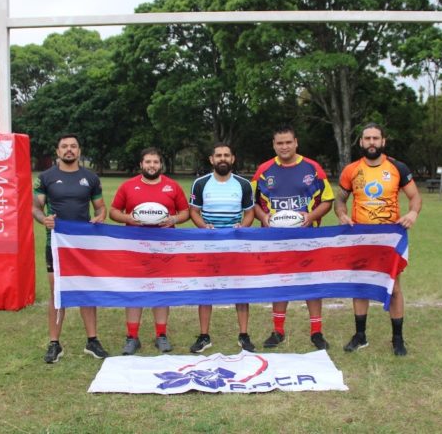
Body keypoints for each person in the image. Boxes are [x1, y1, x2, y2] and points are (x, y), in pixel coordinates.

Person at [335, 122, 422, 356]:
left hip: (388, 239)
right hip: (360, 238)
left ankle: (397, 339)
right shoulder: (351, 170)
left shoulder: (397, 168)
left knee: (393, 288)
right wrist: (342, 215)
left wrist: (413, 212)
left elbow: (415, 197)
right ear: (361, 142)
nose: (371, 142)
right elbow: (340, 200)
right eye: (367, 138)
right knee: (361, 286)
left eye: (375, 138)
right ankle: (360, 336)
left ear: (383, 141)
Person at [251, 125, 334, 350]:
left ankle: (316, 332)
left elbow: (327, 199)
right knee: (280, 282)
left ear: (296, 142)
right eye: (280, 143)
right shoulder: (263, 171)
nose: (284, 146)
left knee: (312, 284)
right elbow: (252, 203)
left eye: (288, 142)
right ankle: (277, 331)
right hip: (275, 240)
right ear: (274, 145)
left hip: (308, 238)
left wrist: (311, 216)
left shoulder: (313, 168)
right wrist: (264, 217)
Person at [33, 133, 109, 364]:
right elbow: (35, 207)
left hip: (83, 244)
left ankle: (92, 341)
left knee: (87, 290)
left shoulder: (90, 178)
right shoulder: (46, 177)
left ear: (79, 151)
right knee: (58, 292)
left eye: (73, 146)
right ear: (57, 151)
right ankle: (54, 343)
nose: (69, 150)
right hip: (56, 244)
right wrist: (42, 219)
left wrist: (100, 217)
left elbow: (100, 208)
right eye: (64, 146)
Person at [109, 147, 190, 355]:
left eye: (155, 162)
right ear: (141, 164)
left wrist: (173, 219)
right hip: (134, 248)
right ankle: (132, 337)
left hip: (164, 248)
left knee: (161, 290)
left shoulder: (172, 187)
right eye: (148, 162)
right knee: (135, 290)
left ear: (160, 164)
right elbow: (113, 211)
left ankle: (161, 335)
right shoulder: (128, 186)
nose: (151, 165)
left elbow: (185, 212)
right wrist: (127, 218)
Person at [188, 143, 256, 353]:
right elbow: (194, 212)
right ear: (212, 159)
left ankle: (244, 335)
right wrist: (204, 227)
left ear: (233, 159)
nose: (223, 158)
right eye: (219, 155)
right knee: (206, 290)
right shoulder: (200, 184)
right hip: (208, 245)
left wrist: (242, 227)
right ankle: (204, 336)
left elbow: (250, 213)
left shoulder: (243, 184)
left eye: (227, 155)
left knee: (240, 290)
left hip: (235, 245)